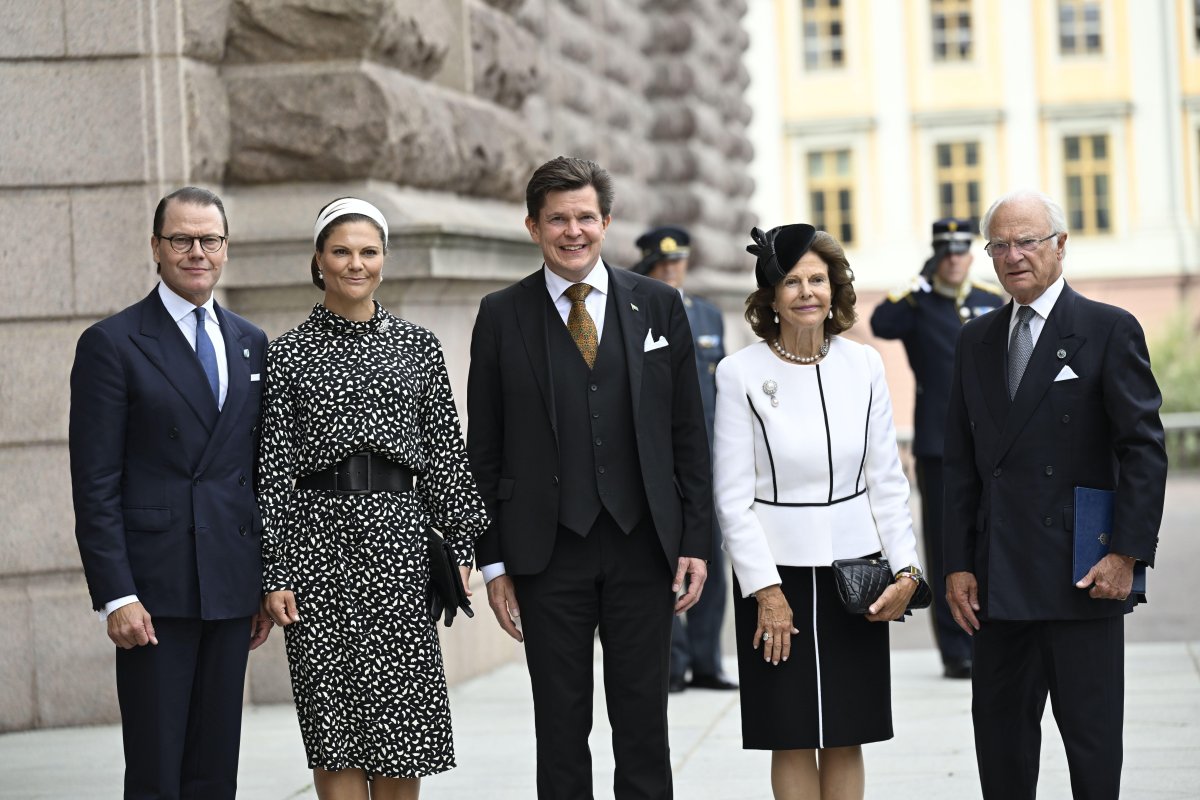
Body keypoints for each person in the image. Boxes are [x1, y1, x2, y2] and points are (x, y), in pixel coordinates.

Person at [466, 157, 713, 799]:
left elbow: (690, 433)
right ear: (532, 226)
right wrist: (492, 566)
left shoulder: (659, 303)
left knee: (643, 728)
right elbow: (483, 450)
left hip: (643, 546)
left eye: (584, 218)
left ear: (606, 222)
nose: (572, 232)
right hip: (546, 555)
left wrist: (694, 540)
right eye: (557, 219)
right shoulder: (500, 314)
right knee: (560, 729)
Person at [257, 198, 488, 800]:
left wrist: (461, 544)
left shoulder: (418, 345)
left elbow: (444, 452)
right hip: (317, 550)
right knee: (333, 727)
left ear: (384, 259)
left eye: (368, 251)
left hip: (400, 545)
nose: (355, 264)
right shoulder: (286, 353)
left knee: (401, 730)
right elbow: (275, 471)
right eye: (341, 251)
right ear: (318, 260)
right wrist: (276, 570)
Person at [943, 190, 1167, 800]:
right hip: (997, 583)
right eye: (1001, 245)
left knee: (1092, 746)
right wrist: (958, 564)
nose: (1014, 255)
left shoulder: (1107, 328)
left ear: (1060, 246)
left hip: (1083, 576)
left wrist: (1126, 556)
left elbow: (1142, 450)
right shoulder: (976, 339)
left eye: (1028, 241)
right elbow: (959, 466)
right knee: (1001, 744)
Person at [69, 186, 274, 799]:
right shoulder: (113, 343)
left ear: (226, 249)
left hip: (230, 587)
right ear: (156, 248)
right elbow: (95, 484)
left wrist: (262, 582)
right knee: (158, 771)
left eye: (209, 240)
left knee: (215, 770)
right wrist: (116, 596)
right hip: (154, 592)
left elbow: (258, 475)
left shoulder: (250, 341)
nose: (196, 252)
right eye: (180, 239)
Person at [714, 224, 923, 800]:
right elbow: (731, 499)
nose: (808, 292)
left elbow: (887, 480)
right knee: (791, 731)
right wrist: (766, 591)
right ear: (770, 296)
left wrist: (908, 570)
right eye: (792, 281)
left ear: (835, 289)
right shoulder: (739, 374)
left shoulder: (865, 365)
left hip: (855, 574)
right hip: (774, 578)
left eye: (818, 279)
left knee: (847, 733)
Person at [869, 217, 1003, 679]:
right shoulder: (917, 303)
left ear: (971, 254)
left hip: (990, 439)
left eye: (960, 251)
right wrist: (917, 281)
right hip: (938, 442)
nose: (953, 259)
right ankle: (954, 648)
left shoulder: (989, 299)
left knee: (992, 536)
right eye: (944, 252)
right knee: (947, 544)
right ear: (935, 257)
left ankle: (991, 634)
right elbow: (880, 323)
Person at [631, 225, 736, 695]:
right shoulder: (635, 313)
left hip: (709, 456)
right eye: (662, 265)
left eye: (677, 264)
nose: (672, 271)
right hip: (657, 459)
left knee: (711, 556)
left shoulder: (708, 316)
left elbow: (725, 390)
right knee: (664, 562)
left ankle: (707, 660)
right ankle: (671, 662)